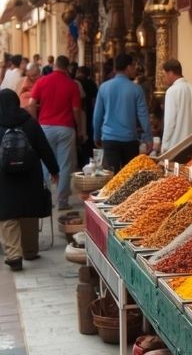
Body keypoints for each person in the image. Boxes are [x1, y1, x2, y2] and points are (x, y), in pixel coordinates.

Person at [0, 89, 59, 271]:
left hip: (4, 177)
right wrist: (54, 170)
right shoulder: (30, 123)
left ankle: (14, 255)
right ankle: (31, 251)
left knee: (7, 215)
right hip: (30, 175)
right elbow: (44, 148)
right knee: (28, 212)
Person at [28, 56, 85, 210]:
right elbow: (76, 110)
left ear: (54, 66)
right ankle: (62, 201)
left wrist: (35, 123)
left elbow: (31, 104)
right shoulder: (71, 84)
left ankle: (45, 200)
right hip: (65, 128)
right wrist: (79, 129)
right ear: (67, 68)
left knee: (45, 163)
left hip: (45, 127)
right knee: (65, 164)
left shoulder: (42, 81)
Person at [93, 53, 151, 172]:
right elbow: (143, 115)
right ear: (128, 67)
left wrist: (96, 135)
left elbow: (97, 116)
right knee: (129, 178)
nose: (135, 69)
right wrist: (148, 137)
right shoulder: (136, 89)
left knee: (112, 177)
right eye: (134, 66)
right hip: (129, 140)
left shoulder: (104, 87)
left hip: (109, 138)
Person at [159, 58, 192, 155]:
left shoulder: (172, 91)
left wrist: (164, 146)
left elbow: (170, 123)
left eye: (164, 75)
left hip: (175, 147)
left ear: (170, 73)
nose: (164, 79)